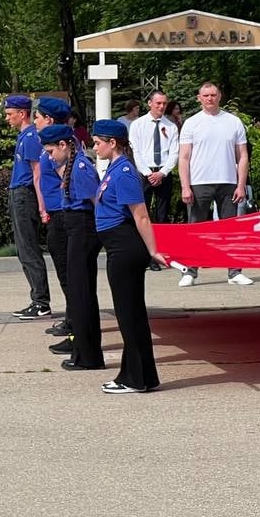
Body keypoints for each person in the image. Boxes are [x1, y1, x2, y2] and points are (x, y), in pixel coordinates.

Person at [90, 120, 169, 393]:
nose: (94, 146)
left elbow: (141, 215)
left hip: (125, 249)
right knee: (129, 315)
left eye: (98, 142)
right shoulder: (114, 169)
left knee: (129, 315)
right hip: (117, 248)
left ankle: (135, 378)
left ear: (113, 143)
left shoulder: (124, 172)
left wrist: (153, 251)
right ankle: (138, 376)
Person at [38, 125, 104, 369]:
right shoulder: (70, 166)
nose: (49, 156)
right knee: (78, 292)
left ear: (64, 145)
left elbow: (97, 201)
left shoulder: (81, 167)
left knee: (82, 292)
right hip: (75, 226)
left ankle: (88, 355)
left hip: (84, 228)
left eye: (51, 150)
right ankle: (83, 351)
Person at [177, 81, 253, 286]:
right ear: (199, 98)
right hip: (199, 183)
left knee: (230, 230)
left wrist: (241, 184)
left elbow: (243, 156)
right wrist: (185, 186)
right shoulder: (191, 123)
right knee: (195, 229)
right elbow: (183, 157)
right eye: (205, 95)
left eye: (213, 95)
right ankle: (190, 272)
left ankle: (234, 272)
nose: (209, 99)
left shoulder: (233, 122)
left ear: (219, 96)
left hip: (228, 182)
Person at [4, 94, 50, 319]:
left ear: (22, 114)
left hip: (25, 196)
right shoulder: (24, 136)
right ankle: (37, 298)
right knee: (24, 250)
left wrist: (42, 206)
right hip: (18, 194)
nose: (7, 118)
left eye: (10, 114)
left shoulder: (31, 137)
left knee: (29, 249)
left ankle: (41, 301)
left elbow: (37, 173)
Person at [33, 98, 72, 340]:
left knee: (68, 272)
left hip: (63, 214)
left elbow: (64, 179)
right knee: (64, 271)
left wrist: (45, 208)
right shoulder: (50, 144)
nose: (35, 121)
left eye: (38, 117)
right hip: (56, 213)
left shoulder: (62, 146)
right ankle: (72, 317)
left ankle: (74, 321)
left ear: (49, 119)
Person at [128, 90, 179, 225]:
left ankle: (162, 241)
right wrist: (148, 174)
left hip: (164, 172)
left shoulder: (171, 127)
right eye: (158, 103)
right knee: (142, 211)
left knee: (163, 212)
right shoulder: (137, 125)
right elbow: (136, 151)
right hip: (144, 172)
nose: (161, 106)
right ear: (150, 103)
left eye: (164, 103)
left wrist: (162, 173)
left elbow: (174, 153)